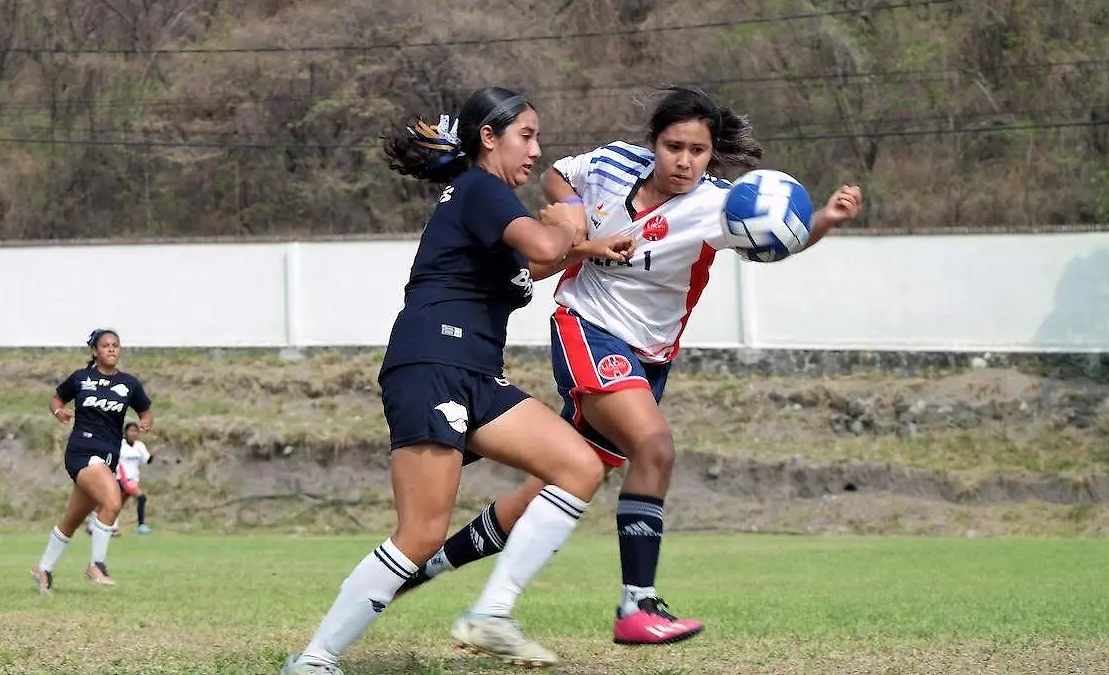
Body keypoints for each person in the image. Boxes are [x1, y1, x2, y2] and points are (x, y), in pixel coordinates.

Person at [395, 86, 864, 645]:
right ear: (653, 144)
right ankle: (636, 607)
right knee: (655, 447)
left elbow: (773, 241)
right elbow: (559, 177)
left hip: (648, 359)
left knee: (561, 483)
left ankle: (449, 583)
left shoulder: (720, 204)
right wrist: (576, 222)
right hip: (587, 326)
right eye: (673, 147)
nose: (685, 161)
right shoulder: (612, 163)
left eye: (698, 150)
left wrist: (825, 221)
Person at [280, 87, 636, 675]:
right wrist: (572, 220)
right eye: (526, 136)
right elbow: (548, 242)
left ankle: (493, 612)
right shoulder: (481, 189)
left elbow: (536, 262)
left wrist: (587, 248)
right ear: (488, 138)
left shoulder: (486, 207)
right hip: (429, 365)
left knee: (580, 467)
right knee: (420, 534)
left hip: (475, 374)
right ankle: (315, 659)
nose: (536, 150)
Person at [30, 328, 154, 593]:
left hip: (107, 457)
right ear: (95, 351)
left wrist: (145, 422)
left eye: (116, 345)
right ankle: (96, 564)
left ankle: (43, 568)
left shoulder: (129, 383)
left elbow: (145, 411)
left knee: (72, 521)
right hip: (82, 453)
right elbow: (57, 398)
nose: (111, 349)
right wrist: (58, 411)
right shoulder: (81, 378)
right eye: (106, 345)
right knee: (112, 501)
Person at [117, 422, 155, 534]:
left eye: (135, 431)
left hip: (134, 480)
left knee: (116, 505)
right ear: (126, 432)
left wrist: (154, 454)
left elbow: (147, 460)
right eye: (131, 431)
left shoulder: (139, 445)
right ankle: (141, 526)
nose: (133, 433)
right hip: (123, 479)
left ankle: (102, 526)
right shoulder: (120, 445)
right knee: (141, 497)